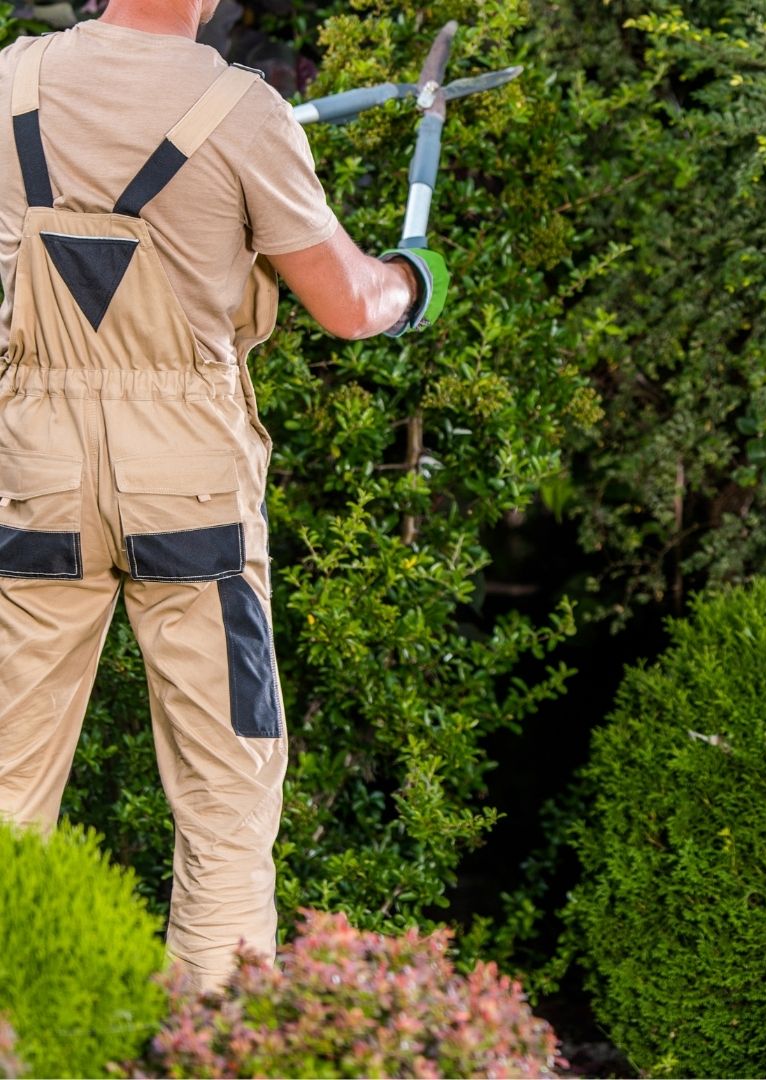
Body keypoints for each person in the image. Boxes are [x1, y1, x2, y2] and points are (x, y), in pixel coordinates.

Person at [0, 0, 447, 993]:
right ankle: (214, 1050)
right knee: (226, 801)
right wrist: (414, 282)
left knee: (4, 791)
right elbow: (350, 304)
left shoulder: (10, 82)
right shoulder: (243, 112)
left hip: (32, 485)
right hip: (187, 491)